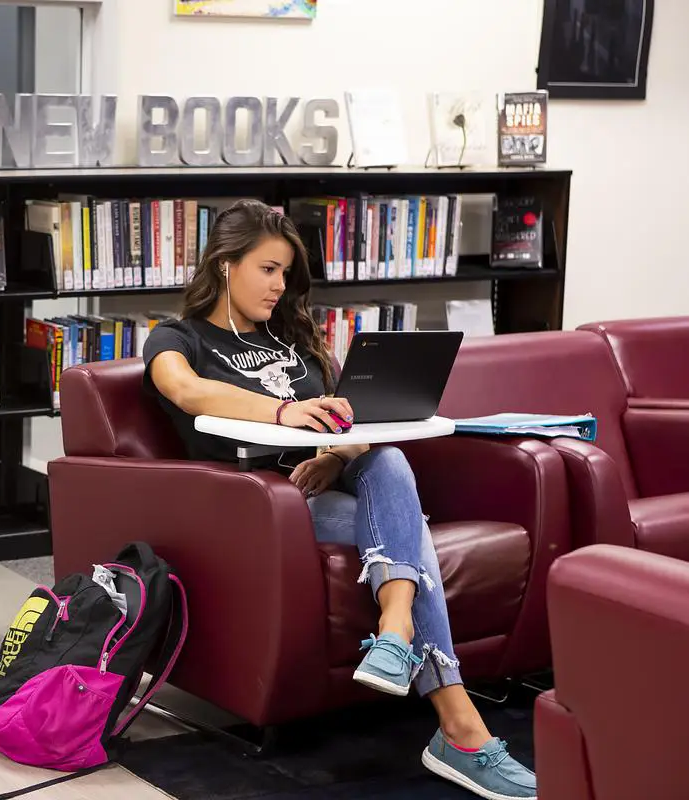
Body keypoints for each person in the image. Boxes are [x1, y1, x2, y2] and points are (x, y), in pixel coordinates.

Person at [142, 199, 537, 800]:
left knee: (389, 459)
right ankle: (455, 724)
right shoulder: (179, 338)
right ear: (226, 265)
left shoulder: (294, 337)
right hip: (257, 503)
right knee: (411, 533)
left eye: (285, 274)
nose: (279, 286)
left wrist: (330, 456)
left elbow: (342, 422)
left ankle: (401, 639)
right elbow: (186, 391)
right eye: (267, 269)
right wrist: (280, 409)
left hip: (321, 487)